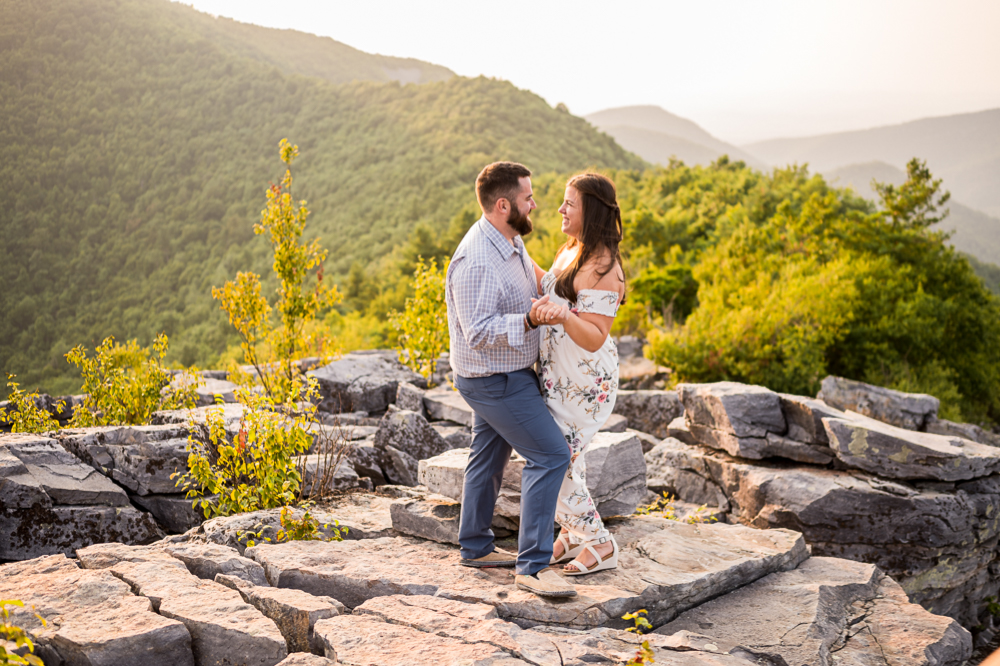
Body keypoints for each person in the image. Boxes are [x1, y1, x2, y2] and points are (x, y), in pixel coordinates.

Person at [445, 161, 577, 598]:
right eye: (528, 198)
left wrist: (586, 278)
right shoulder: (477, 260)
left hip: (508, 373)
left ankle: (476, 547)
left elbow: (537, 277)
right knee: (552, 455)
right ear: (504, 205)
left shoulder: (509, 237)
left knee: (488, 455)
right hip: (493, 379)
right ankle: (534, 568)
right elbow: (477, 333)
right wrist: (527, 319)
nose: (535, 204)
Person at [530, 172, 625, 575]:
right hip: (557, 375)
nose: (560, 209)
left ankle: (600, 543)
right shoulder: (572, 250)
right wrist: (511, 247)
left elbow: (593, 336)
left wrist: (565, 315)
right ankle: (570, 534)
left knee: (555, 459)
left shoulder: (606, 269)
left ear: (592, 210)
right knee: (569, 459)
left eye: (570, 203)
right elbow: (549, 286)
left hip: (585, 383)